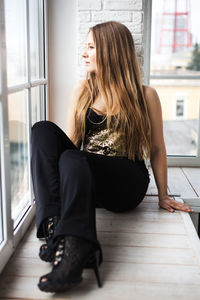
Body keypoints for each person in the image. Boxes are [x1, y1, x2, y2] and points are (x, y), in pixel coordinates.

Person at [31, 21, 194, 293]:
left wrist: (164, 194)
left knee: (74, 158)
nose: (84, 54)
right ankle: (55, 229)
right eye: (86, 47)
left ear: (110, 51)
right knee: (42, 130)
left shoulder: (146, 95)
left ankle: (74, 254)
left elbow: (156, 148)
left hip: (126, 182)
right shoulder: (83, 90)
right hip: (87, 179)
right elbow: (71, 143)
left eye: (91, 47)